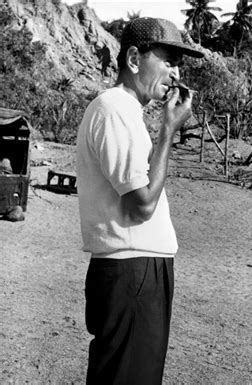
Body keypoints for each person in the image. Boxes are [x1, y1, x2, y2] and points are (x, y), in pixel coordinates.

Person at [76, 17, 203, 384]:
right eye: (167, 61)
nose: (175, 73)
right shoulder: (113, 108)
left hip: (137, 269)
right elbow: (143, 203)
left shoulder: (125, 111)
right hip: (132, 272)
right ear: (134, 58)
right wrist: (168, 129)